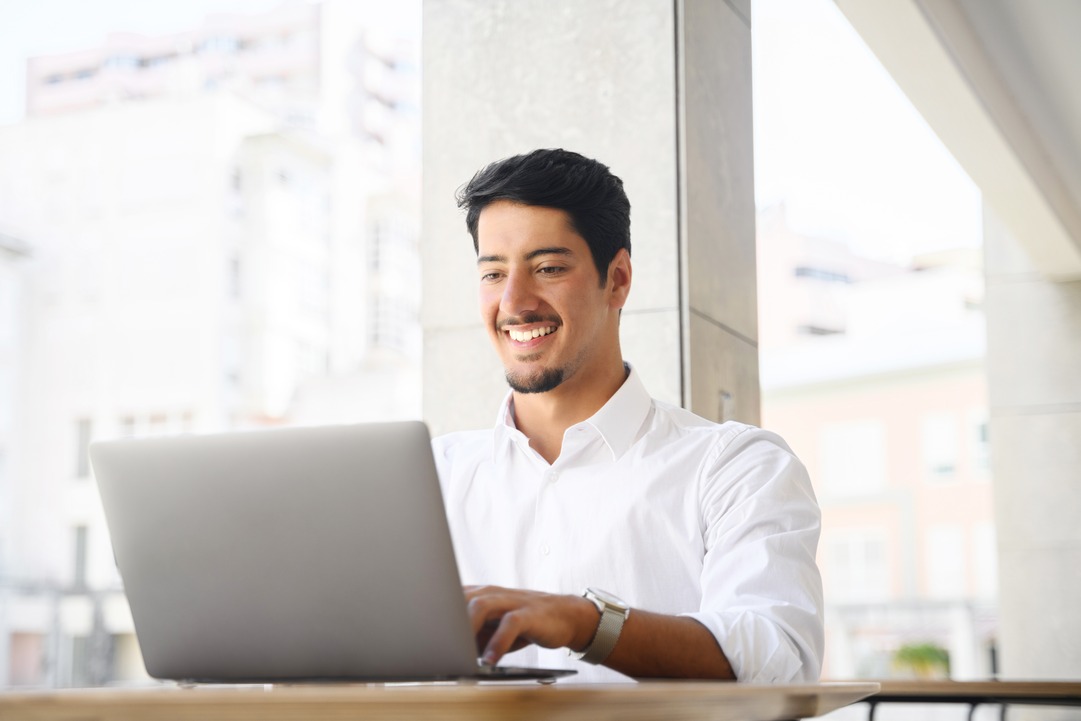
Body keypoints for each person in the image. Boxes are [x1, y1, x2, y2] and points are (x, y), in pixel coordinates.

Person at [432, 148, 823, 683]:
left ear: (617, 279)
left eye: (547, 268)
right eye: (494, 273)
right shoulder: (433, 477)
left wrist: (587, 622)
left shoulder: (736, 467)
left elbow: (776, 659)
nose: (515, 302)